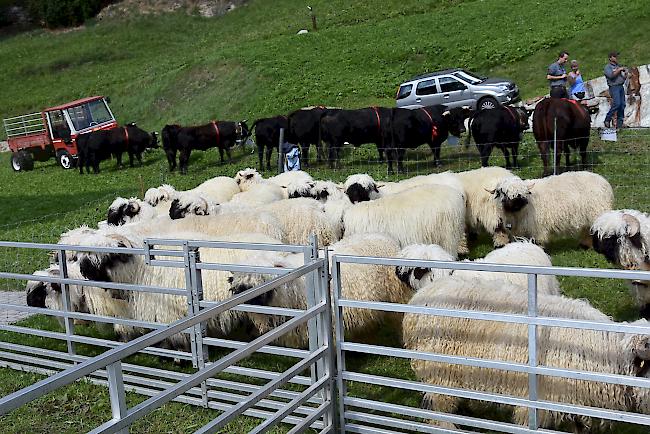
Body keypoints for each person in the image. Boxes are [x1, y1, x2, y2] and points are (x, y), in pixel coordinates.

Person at [603, 51, 627, 129]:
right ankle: (607, 119)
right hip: (614, 87)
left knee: (622, 105)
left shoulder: (618, 66)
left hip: (621, 87)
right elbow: (611, 76)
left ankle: (620, 124)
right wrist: (619, 70)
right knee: (617, 104)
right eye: (615, 56)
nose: (616, 58)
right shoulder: (608, 67)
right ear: (610, 58)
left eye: (617, 56)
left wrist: (625, 74)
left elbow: (622, 77)